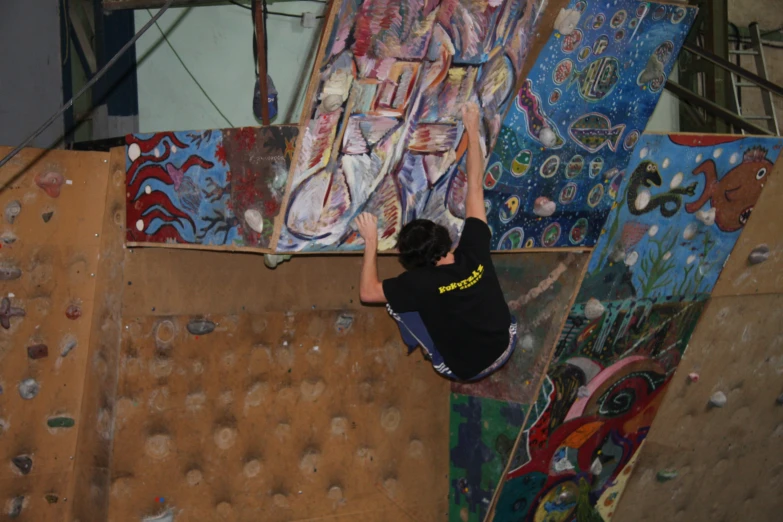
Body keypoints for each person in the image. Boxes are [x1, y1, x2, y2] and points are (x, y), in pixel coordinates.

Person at [354, 102, 517, 382]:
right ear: (442, 236)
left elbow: (368, 293)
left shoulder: (418, 284)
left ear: (413, 264)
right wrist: (472, 126)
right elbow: (475, 185)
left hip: (463, 369)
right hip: (505, 344)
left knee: (395, 302)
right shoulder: (473, 247)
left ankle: (433, 345)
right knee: (445, 296)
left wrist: (371, 242)